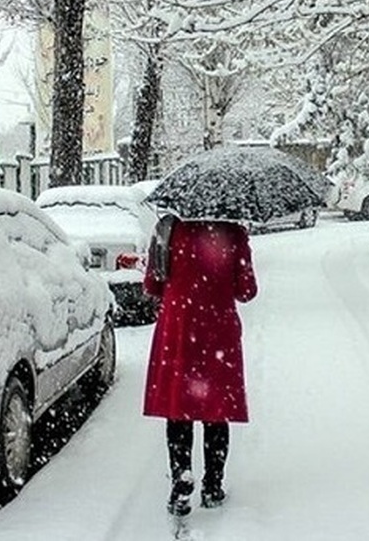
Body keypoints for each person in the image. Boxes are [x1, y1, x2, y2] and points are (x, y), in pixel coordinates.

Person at [143, 214, 258, 517]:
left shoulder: (168, 229)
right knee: (216, 409)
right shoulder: (233, 233)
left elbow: (152, 284)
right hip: (218, 330)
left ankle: (181, 477)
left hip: (178, 328)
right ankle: (212, 485)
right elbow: (247, 291)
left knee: (178, 407)